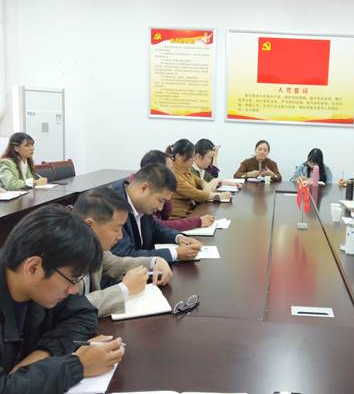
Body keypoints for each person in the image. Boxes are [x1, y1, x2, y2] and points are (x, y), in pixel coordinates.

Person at [0, 204, 125, 393]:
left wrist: (41, 355)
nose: (73, 290)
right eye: (72, 280)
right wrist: (77, 366)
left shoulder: (41, 287)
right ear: (33, 268)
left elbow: (83, 313)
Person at [74, 187, 173, 318]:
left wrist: (154, 261)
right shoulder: (62, 256)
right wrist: (124, 289)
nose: (120, 236)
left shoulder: (93, 247)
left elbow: (116, 263)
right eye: (116, 229)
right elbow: (71, 307)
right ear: (89, 225)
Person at [110, 163, 202, 263]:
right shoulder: (111, 206)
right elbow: (124, 255)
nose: (160, 208)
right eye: (160, 200)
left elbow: (155, 228)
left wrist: (179, 238)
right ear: (144, 188)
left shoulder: (141, 204)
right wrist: (175, 253)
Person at [139, 150, 215, 231]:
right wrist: (198, 222)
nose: (173, 173)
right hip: (179, 218)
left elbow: (164, 217)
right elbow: (159, 225)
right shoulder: (146, 192)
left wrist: (178, 237)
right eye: (171, 169)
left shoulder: (187, 172)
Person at [166, 139, 232, 218]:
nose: (194, 159)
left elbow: (200, 181)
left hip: (191, 212)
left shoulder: (185, 169)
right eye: (191, 157)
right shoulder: (173, 174)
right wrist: (218, 196)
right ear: (179, 157)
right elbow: (194, 193)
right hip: (180, 217)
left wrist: (206, 186)